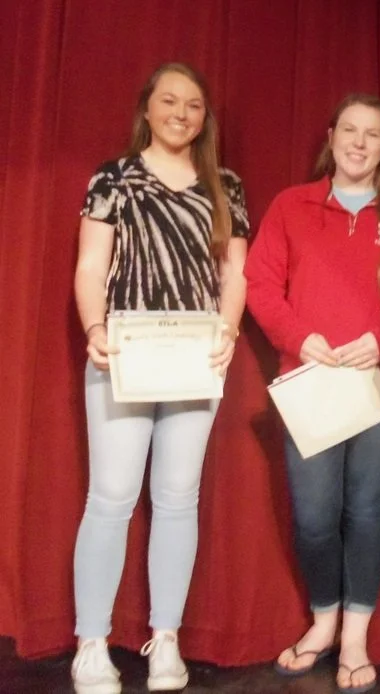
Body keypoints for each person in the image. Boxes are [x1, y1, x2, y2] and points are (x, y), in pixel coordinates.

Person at [70, 62, 249, 694]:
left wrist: (226, 332)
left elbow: (234, 277)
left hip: (193, 358)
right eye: (169, 101)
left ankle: (165, 640)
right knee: (112, 497)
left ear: (205, 117)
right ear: (147, 108)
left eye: (194, 105)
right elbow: (93, 266)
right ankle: (91, 643)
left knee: (178, 499)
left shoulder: (224, 185)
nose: (181, 113)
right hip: (125, 353)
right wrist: (96, 329)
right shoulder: (114, 178)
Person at [245, 93, 380, 694]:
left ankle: (355, 639)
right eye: (350, 130)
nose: (360, 143)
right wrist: (297, 335)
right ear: (331, 134)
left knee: (366, 513)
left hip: (375, 387)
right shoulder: (292, 205)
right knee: (313, 518)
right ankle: (323, 622)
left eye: (374, 135)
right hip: (308, 386)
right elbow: (259, 283)